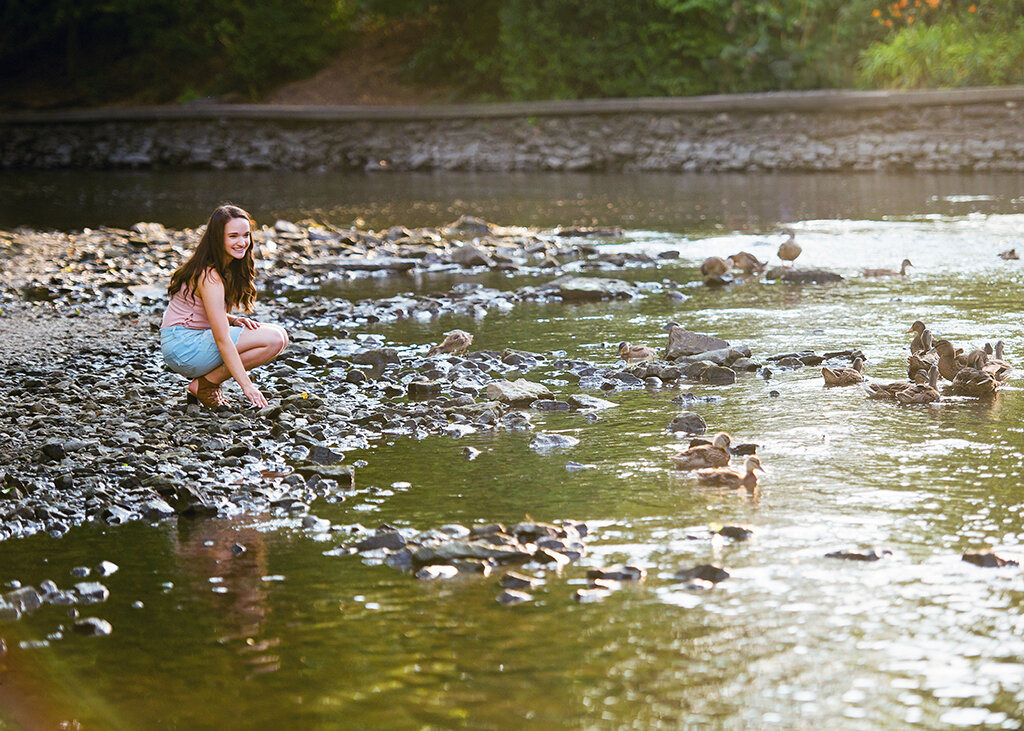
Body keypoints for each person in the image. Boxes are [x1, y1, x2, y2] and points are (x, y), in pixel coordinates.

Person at [161, 204, 288, 408]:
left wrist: (233, 319)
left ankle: (203, 384)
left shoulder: (224, 267)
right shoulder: (209, 275)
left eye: (246, 235)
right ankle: (205, 385)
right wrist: (247, 386)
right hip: (184, 348)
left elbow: (201, 311)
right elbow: (222, 338)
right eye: (233, 236)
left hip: (189, 341)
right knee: (273, 338)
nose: (242, 242)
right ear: (217, 238)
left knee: (279, 335)